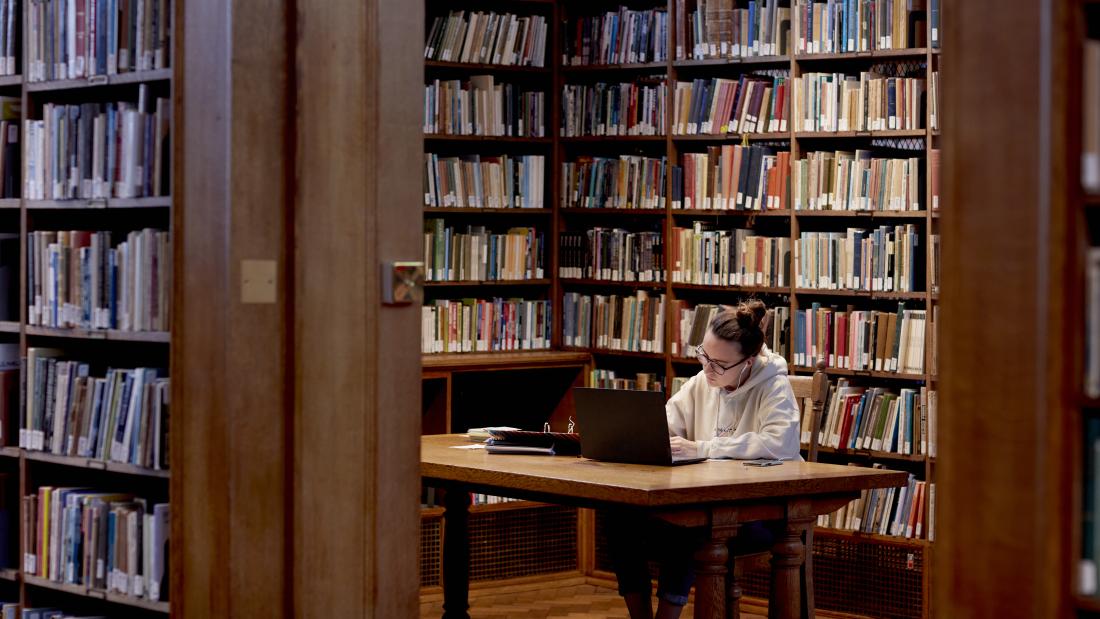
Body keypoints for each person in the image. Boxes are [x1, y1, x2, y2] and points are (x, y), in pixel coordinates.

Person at [607, 299, 802, 619]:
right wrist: (635, 436)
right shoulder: (704, 380)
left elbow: (779, 443)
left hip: (758, 513)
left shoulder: (774, 386)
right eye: (704, 356)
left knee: (691, 523)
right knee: (620, 514)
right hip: (703, 502)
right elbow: (666, 423)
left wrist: (703, 448)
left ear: (749, 362)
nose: (708, 369)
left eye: (720, 364)